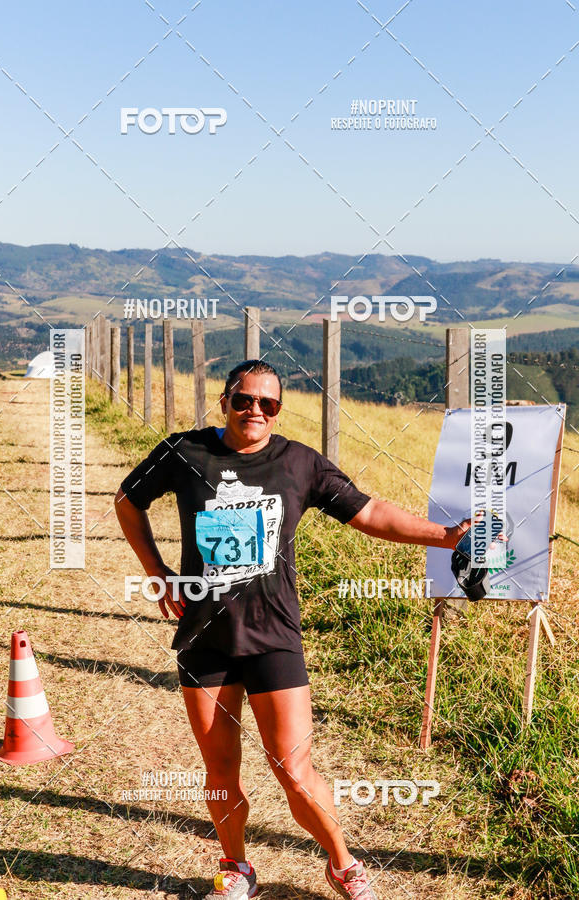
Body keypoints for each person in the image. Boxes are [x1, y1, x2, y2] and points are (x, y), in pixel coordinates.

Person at [115, 359, 472, 900]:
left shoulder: (298, 463)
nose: (255, 410)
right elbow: (127, 500)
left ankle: (343, 864)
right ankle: (236, 867)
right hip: (204, 637)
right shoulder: (184, 452)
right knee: (220, 770)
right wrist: (156, 571)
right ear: (225, 402)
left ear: (278, 410)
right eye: (244, 400)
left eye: (268, 403)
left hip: (274, 635)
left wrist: (445, 537)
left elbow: (370, 514)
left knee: (294, 768)